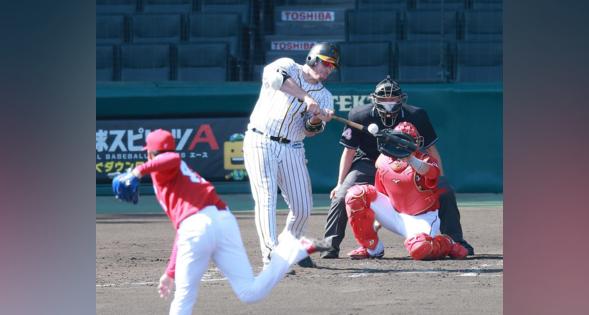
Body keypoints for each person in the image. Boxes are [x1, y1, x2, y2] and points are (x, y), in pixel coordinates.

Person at [112, 129, 333, 315]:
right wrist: (170, 272)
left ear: (151, 153)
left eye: (148, 153)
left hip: (198, 226)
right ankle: (293, 250)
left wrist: (137, 171)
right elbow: (182, 231)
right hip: (222, 221)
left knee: (184, 298)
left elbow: (171, 157)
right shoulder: (172, 175)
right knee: (249, 292)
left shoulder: (167, 167)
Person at [321, 75, 474, 259]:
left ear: (402, 99)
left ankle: (454, 240)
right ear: (374, 99)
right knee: (344, 195)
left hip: (408, 162)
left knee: (445, 189)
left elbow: (431, 149)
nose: (389, 103)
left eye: (393, 98)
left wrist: (439, 178)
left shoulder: (416, 115)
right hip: (371, 162)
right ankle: (338, 245)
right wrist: (339, 184)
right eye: (384, 99)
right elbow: (349, 152)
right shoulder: (359, 115)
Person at [243, 42, 338, 269]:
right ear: (312, 58)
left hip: (293, 147)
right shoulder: (287, 65)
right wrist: (307, 99)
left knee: (303, 207)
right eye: (325, 63)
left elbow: (308, 131)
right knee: (266, 197)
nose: (327, 69)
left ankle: (289, 244)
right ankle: (270, 255)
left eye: (332, 66)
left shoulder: (326, 97)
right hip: (260, 140)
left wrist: (316, 118)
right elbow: (276, 80)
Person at [344, 122, 469, 260]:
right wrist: (376, 220)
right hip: (393, 211)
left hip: (421, 217)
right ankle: (372, 248)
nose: (401, 144)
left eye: (406, 141)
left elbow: (430, 171)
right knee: (355, 195)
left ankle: (447, 243)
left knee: (420, 249)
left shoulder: (425, 160)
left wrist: (410, 159)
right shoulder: (383, 160)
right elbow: (380, 191)